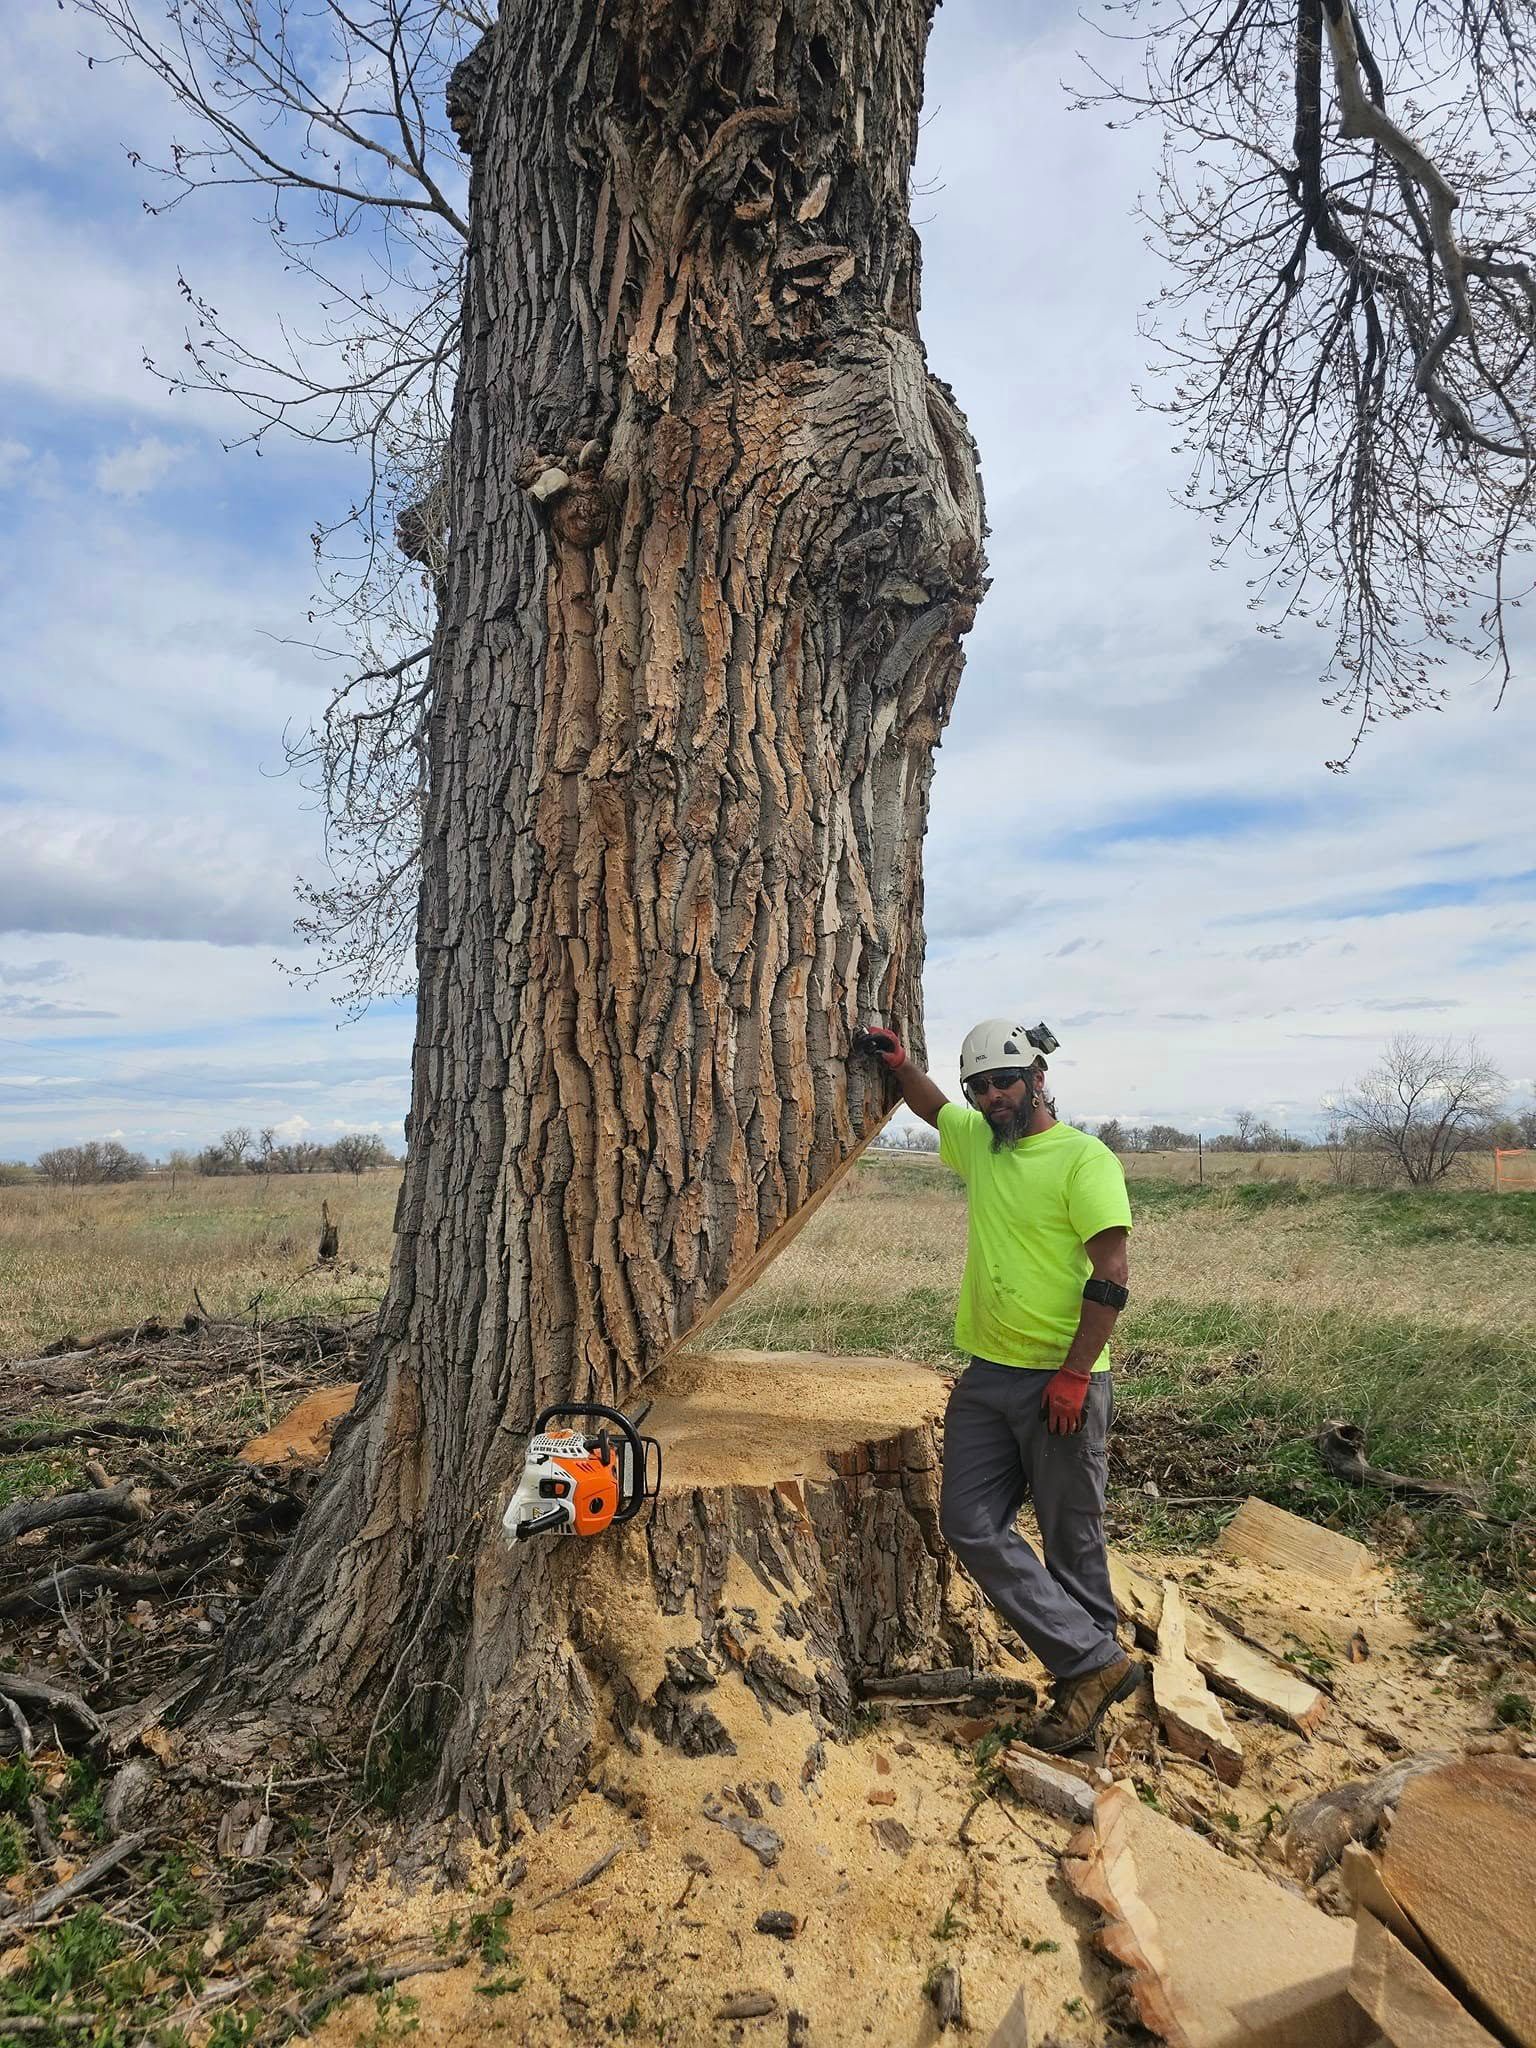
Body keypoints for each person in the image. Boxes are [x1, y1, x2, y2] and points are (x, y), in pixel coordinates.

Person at [857, 1017, 1139, 1752]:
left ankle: (1085, 1680)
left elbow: (1112, 1275)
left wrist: (1076, 1375)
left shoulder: (1085, 1159)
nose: (991, 1099)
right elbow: (929, 1106)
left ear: (1037, 1078)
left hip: (1064, 1381)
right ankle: (1097, 1663)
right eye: (979, 1087)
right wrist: (899, 1064)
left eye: (1003, 1083)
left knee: (1071, 1534)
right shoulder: (981, 1144)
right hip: (988, 1376)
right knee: (968, 1522)